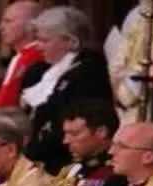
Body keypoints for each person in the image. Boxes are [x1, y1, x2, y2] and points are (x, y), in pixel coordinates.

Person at [20, 6, 113, 174]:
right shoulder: (45, 72)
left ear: (70, 41)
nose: (38, 47)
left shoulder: (88, 71)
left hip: (66, 160)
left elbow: (72, 122)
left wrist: (28, 156)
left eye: (45, 40)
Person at [0, 1, 45, 109]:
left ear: (30, 25)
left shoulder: (38, 57)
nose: (0, 27)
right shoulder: (21, 57)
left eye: (8, 21)